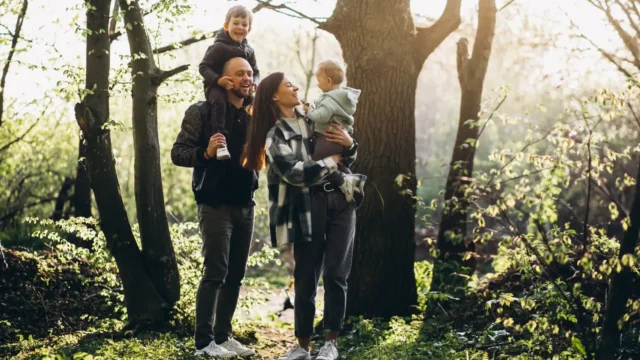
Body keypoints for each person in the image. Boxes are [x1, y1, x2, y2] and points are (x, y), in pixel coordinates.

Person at [241, 72, 365, 360]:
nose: (296, 87)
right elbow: (294, 173)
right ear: (274, 95)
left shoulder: (316, 115)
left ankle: (331, 343)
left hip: (342, 200)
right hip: (305, 207)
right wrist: (330, 160)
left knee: (335, 273)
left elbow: (345, 154)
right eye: (288, 84)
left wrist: (349, 144)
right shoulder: (276, 134)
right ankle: (303, 346)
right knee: (306, 276)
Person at [171, 57, 258, 358]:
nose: (246, 78)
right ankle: (203, 343)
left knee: (235, 275)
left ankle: (223, 337)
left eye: (249, 73)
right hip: (214, 205)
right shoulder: (202, 111)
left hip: (246, 204)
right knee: (215, 272)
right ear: (224, 79)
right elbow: (178, 153)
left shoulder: (253, 113)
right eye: (239, 74)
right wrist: (205, 153)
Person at [199, 4, 260, 160]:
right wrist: (218, 80)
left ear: (249, 29)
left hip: (241, 89)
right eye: (236, 23)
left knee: (255, 104)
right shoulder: (218, 47)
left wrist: (255, 82)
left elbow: (256, 71)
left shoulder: (249, 50)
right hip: (216, 86)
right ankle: (220, 141)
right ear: (226, 26)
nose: (240, 27)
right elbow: (204, 67)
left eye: (244, 24)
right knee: (219, 102)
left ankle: (255, 141)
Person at [304, 59, 363, 203]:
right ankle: (347, 178)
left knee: (318, 164)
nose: (317, 84)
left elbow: (322, 117)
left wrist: (309, 111)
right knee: (338, 164)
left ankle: (347, 182)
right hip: (339, 140)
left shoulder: (329, 99)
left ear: (329, 81)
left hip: (328, 138)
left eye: (319, 80)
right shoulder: (341, 97)